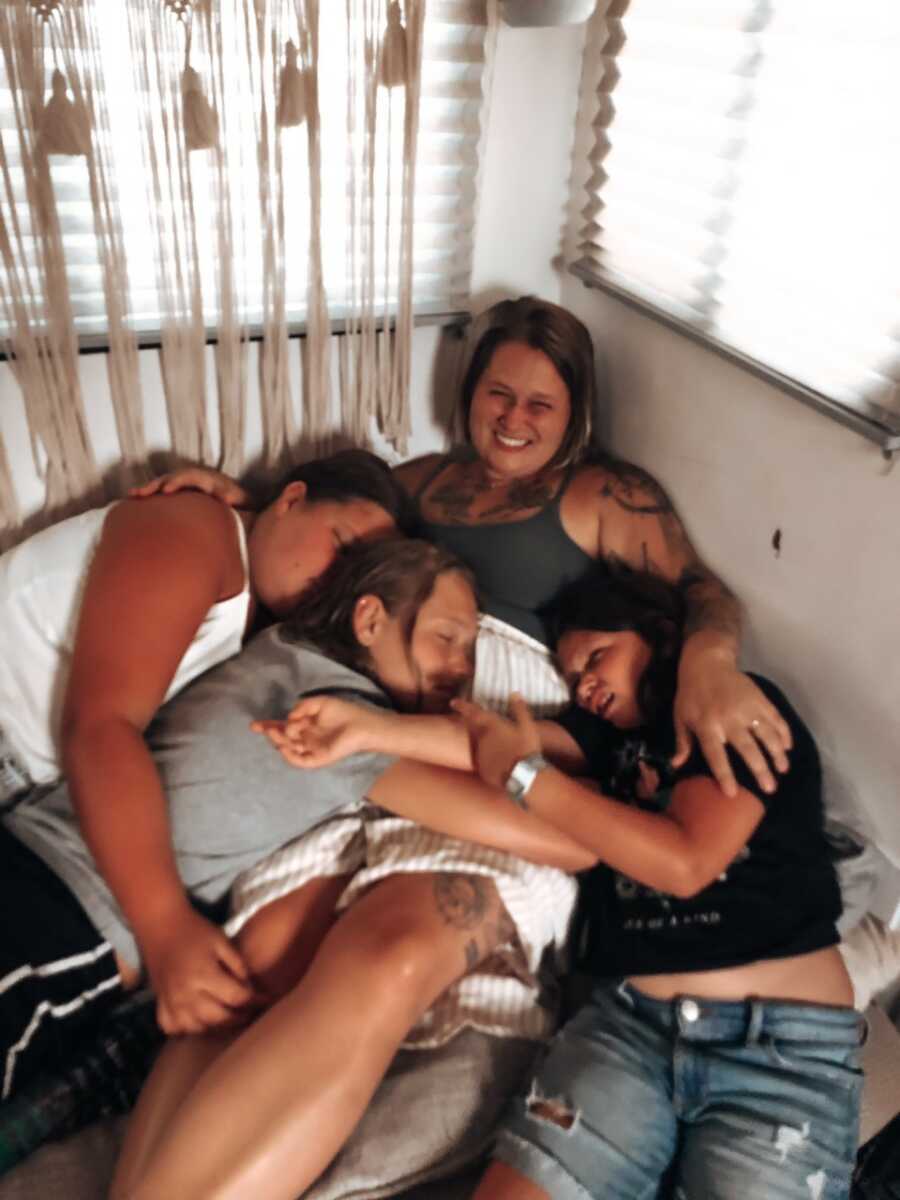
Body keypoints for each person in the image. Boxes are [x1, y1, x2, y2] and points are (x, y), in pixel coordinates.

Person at [140, 294, 792, 800]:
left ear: (574, 413)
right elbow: (333, 525)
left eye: (541, 405)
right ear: (471, 391)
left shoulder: (605, 495)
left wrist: (710, 664)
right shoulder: (424, 480)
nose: (513, 420)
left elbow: (703, 591)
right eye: (499, 395)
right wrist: (249, 503)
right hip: (401, 703)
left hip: (522, 730)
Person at [107, 538, 594, 1200]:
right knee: (253, 970)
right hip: (355, 828)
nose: (461, 666)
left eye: (471, 650)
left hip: (446, 836)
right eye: (447, 638)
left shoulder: (312, 673)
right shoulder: (327, 696)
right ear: (368, 621)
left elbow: (567, 829)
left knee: (366, 959)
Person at [441, 563, 863, 1200]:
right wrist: (361, 729)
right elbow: (484, 744)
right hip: (629, 1032)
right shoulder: (607, 747)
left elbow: (685, 864)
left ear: (660, 637)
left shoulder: (740, 706)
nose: (584, 683)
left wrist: (528, 778)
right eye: (574, 673)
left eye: (599, 656)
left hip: (782, 1053)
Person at [0, 448, 408, 1069]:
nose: (340, 580)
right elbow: (101, 730)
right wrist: (165, 929)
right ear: (292, 498)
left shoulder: (252, 608)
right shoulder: (196, 532)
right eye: (341, 546)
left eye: (361, 576)